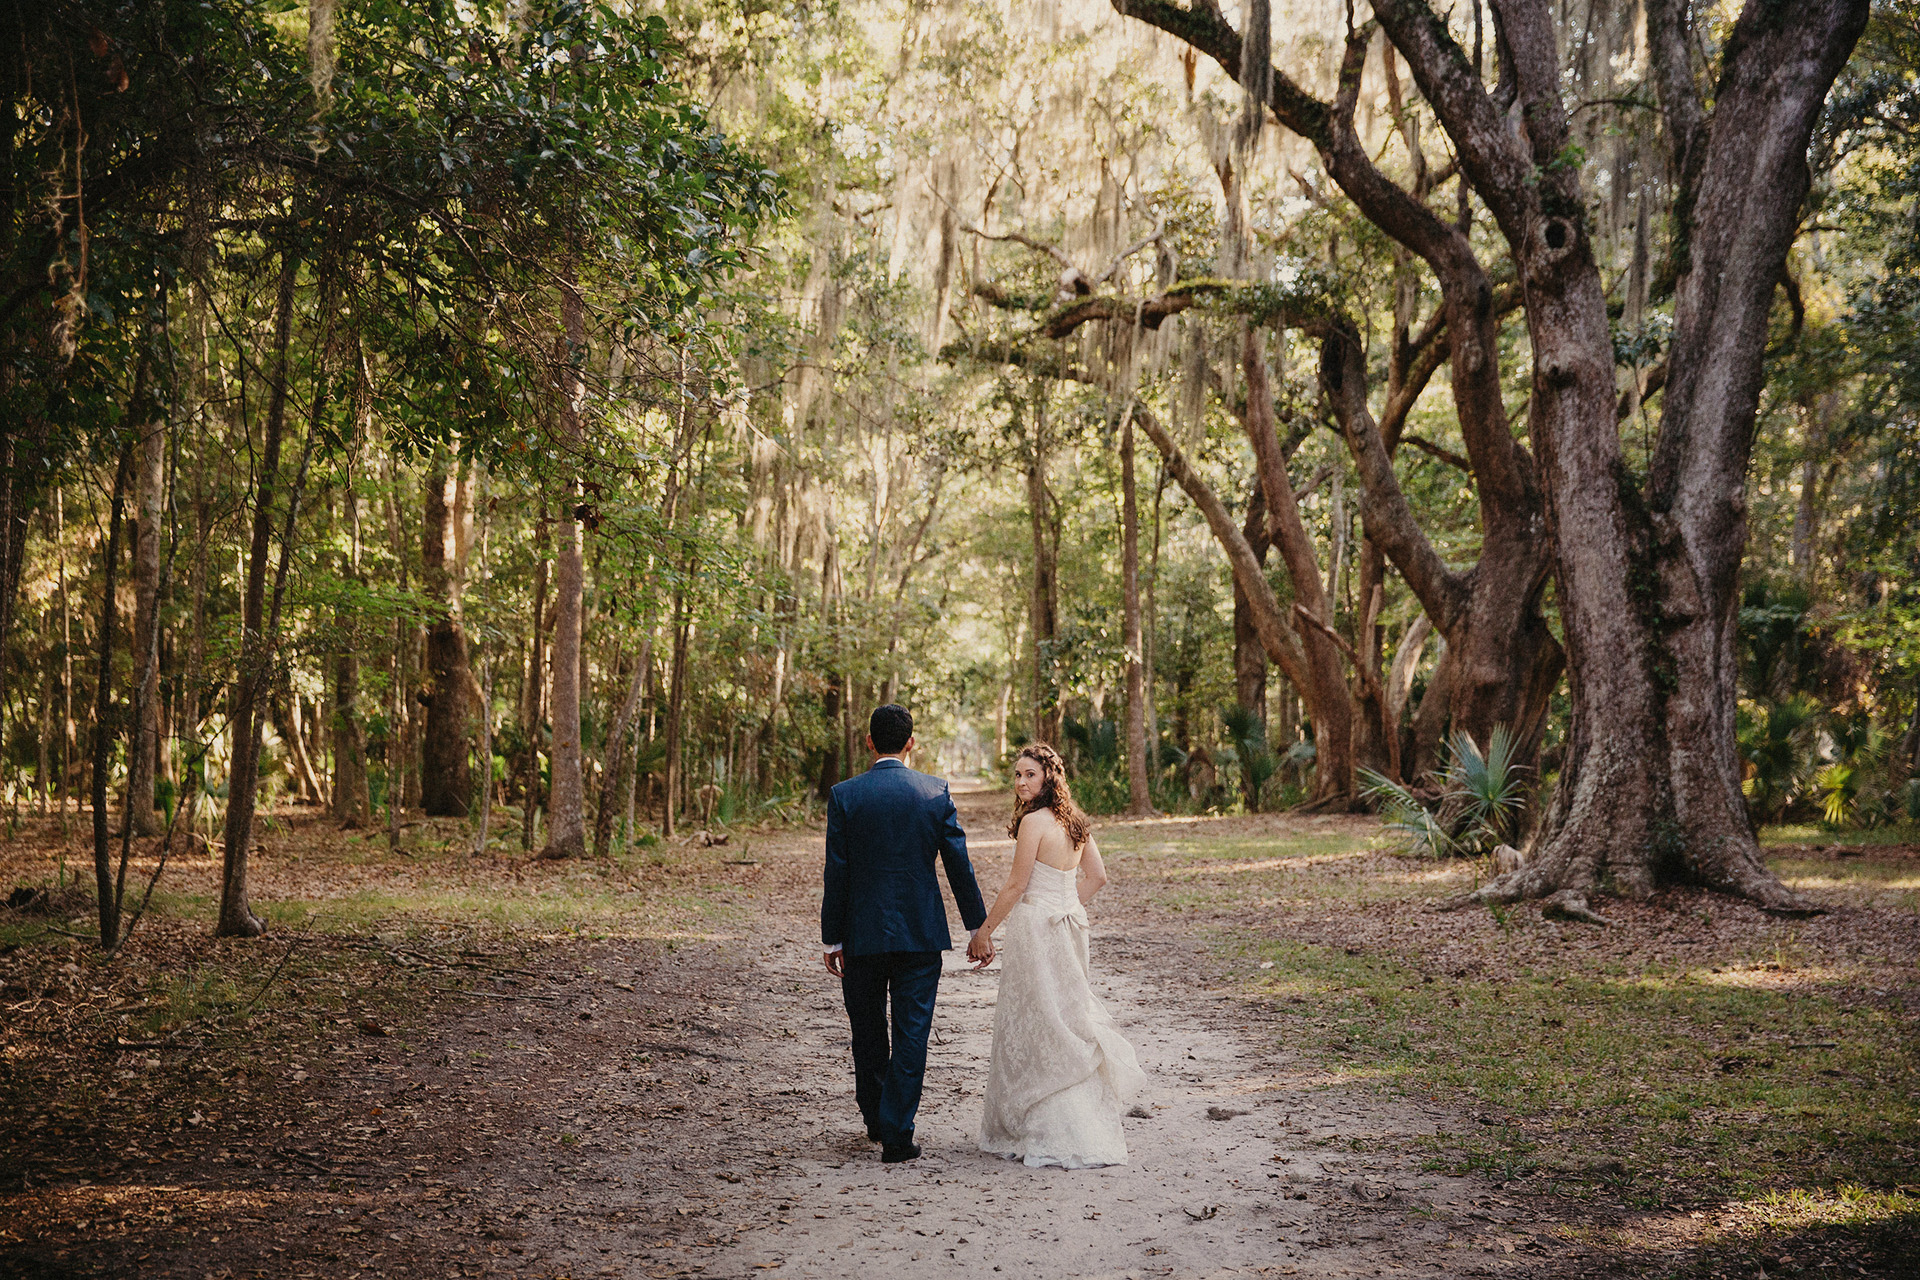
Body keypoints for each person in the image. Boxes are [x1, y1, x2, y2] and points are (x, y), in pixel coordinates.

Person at [821, 704, 989, 1164]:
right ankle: (897, 1134)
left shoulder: (845, 795)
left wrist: (832, 937)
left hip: (862, 933)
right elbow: (959, 862)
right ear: (911, 743)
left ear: (870, 742)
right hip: (920, 932)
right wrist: (978, 925)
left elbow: (836, 871)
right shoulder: (934, 792)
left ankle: (876, 1118)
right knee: (912, 1031)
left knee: (868, 1028)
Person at [970, 742, 1146, 1168]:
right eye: (1017, 775)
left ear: (1049, 776)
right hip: (1069, 927)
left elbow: (1016, 886)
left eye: (1030, 774)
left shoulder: (1034, 822)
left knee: (1037, 1020)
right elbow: (1096, 878)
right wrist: (1067, 905)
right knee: (1065, 1018)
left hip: (1037, 929)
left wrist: (984, 933)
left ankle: (1040, 1123)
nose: (1021, 782)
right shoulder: (1076, 822)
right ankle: (1073, 1119)